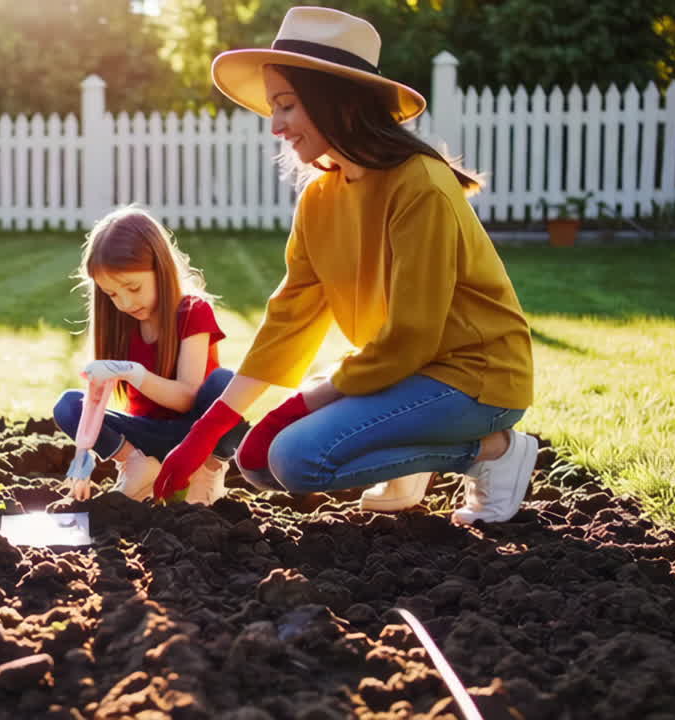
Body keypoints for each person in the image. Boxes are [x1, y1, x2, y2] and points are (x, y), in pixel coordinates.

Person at [152, 6, 536, 525]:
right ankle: (411, 456)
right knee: (258, 463)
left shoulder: (419, 184)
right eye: (273, 107)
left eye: (286, 105)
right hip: (403, 375)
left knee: (295, 458)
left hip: (473, 377)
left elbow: (413, 334)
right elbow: (290, 320)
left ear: (339, 104)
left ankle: (494, 451)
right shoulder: (321, 198)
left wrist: (300, 405)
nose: (275, 126)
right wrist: (210, 429)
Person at [53, 206, 250, 505]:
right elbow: (96, 406)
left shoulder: (192, 312)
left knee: (225, 385)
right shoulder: (122, 324)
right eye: (113, 294)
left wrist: (134, 372)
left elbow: (186, 395)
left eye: (133, 287)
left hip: (196, 435)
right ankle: (136, 465)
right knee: (68, 406)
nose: (125, 303)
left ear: (161, 269)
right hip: (147, 437)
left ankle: (207, 471)